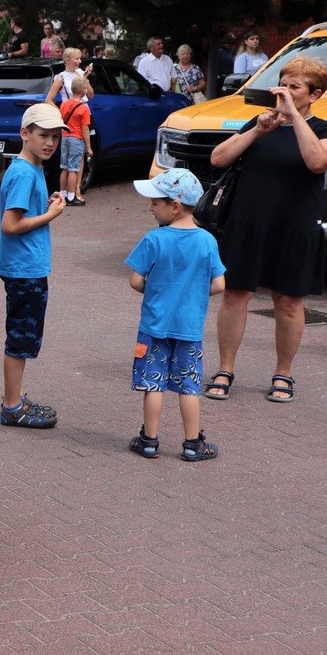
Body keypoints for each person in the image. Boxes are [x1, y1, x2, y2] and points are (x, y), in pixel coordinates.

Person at [204, 57, 327, 403]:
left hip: (294, 227)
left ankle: (283, 373)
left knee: (290, 303)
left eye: (295, 87)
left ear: (316, 94)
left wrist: (293, 116)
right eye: (283, 83)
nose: (284, 91)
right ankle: (225, 368)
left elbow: (317, 162)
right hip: (246, 222)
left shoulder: (325, 129)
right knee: (235, 295)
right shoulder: (259, 121)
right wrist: (258, 130)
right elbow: (218, 159)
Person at [125, 168, 225, 461]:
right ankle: (193, 444)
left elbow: (135, 280)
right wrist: (191, 294)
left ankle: (149, 441)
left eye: (155, 202)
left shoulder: (155, 240)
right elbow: (219, 284)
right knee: (189, 387)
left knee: (153, 384)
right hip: (189, 329)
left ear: (175, 206)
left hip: (154, 326)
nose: (151, 207)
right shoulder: (207, 241)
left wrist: (157, 290)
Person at [0, 103, 66, 428]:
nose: (50, 142)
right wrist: (50, 216)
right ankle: (12, 407)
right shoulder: (24, 171)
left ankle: (15, 397)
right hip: (24, 268)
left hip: (27, 266)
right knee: (21, 337)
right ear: (25, 134)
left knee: (23, 335)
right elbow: (10, 224)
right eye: (43, 135)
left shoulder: (31, 167)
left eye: (55, 136)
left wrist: (44, 205)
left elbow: (22, 210)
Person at [58, 75, 92, 206]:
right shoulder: (84, 108)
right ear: (84, 91)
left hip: (65, 137)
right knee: (73, 169)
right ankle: (72, 197)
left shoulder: (64, 104)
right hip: (76, 139)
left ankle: (62, 194)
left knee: (64, 167)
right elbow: (85, 129)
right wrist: (88, 147)